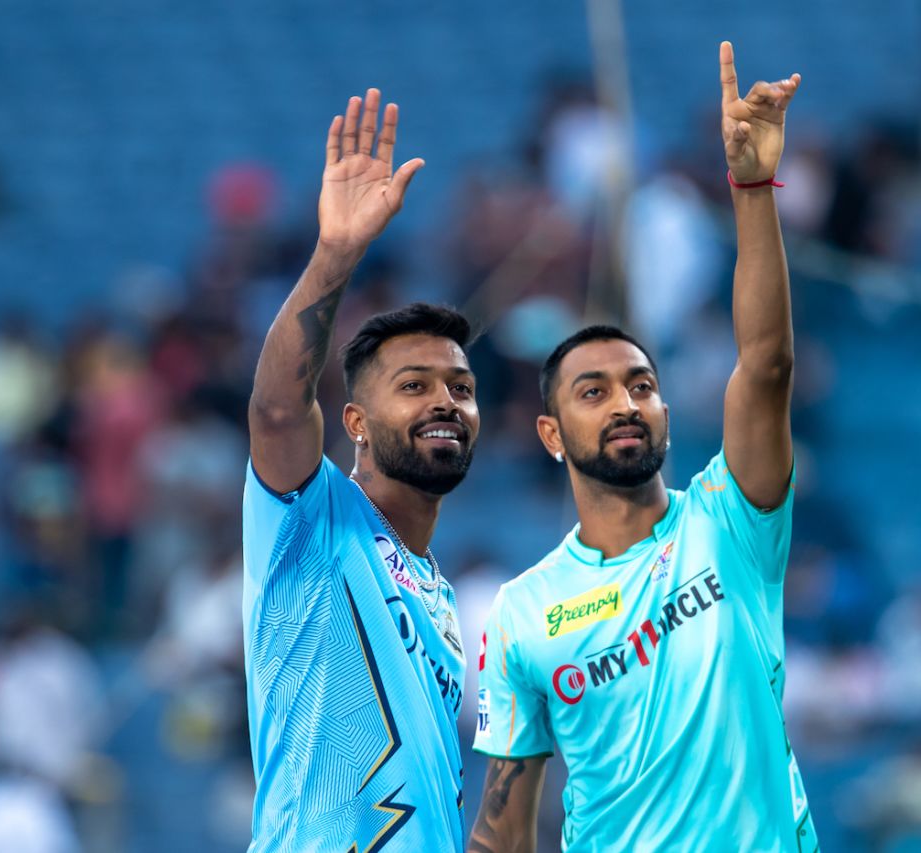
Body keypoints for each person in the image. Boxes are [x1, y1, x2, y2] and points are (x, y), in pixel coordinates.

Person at [468, 43, 819, 851]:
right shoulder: (524, 610)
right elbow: (501, 830)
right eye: (593, 392)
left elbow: (765, 365)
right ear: (550, 433)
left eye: (641, 384)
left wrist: (753, 188)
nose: (626, 402)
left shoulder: (731, 519)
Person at [243, 88, 477, 852]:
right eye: (413, 386)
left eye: (461, 388)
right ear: (355, 424)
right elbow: (278, 411)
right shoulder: (311, 519)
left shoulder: (442, 595)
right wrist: (336, 254)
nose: (444, 399)